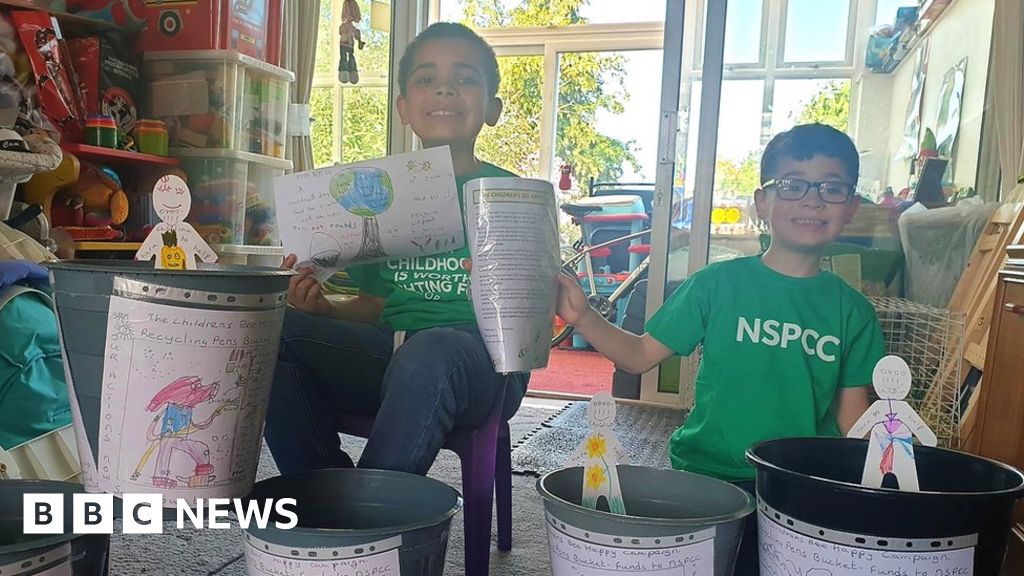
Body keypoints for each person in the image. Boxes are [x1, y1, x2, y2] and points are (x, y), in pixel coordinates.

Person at [555, 123, 885, 574]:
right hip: (708, 474)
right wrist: (583, 318)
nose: (812, 199)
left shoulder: (855, 312)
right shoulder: (715, 284)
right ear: (762, 202)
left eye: (832, 187)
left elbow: (853, 417)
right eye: (792, 185)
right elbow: (639, 355)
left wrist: (884, 482)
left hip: (801, 483)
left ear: (852, 208)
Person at [264, 22, 529, 476]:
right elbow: (374, 306)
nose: (444, 89)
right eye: (427, 79)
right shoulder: (382, 195)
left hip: (481, 365)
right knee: (271, 330)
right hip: (388, 354)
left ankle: (373, 511)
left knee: (433, 348)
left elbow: (532, 315)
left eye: (465, 78)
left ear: (493, 108)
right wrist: (323, 310)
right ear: (404, 108)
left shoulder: (510, 196)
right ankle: (324, 491)